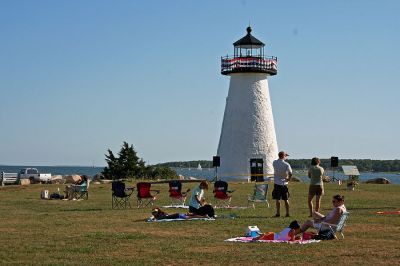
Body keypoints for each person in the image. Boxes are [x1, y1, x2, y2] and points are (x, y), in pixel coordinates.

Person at [272, 151, 293, 217]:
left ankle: (278, 213)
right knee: (286, 199)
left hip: (276, 183)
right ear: (284, 156)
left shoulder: (274, 162)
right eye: (285, 156)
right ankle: (287, 213)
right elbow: (290, 173)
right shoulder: (286, 164)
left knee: (277, 199)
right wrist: (288, 179)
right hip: (284, 184)